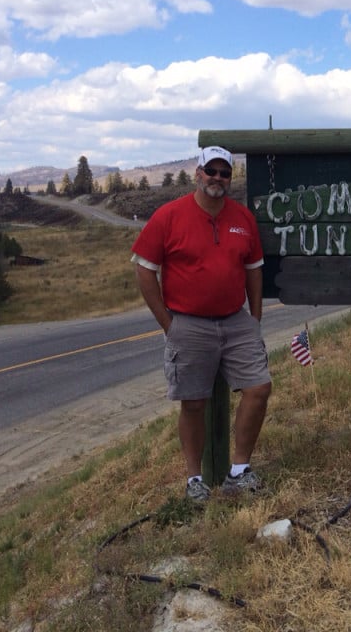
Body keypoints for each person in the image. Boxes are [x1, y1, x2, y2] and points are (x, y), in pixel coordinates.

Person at [131, 145, 272, 503]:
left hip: (235, 320)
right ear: (198, 173)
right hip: (188, 324)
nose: (218, 179)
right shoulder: (169, 216)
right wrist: (168, 323)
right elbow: (144, 268)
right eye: (212, 171)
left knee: (259, 388)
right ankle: (194, 479)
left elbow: (254, 272)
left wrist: (254, 319)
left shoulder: (242, 218)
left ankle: (239, 471)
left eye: (225, 173)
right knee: (193, 403)